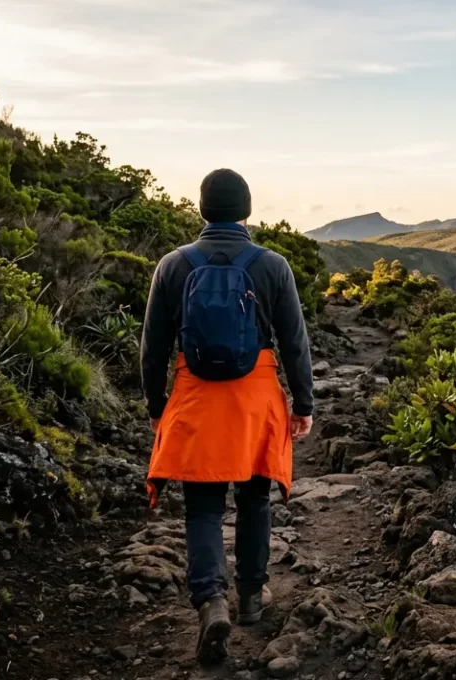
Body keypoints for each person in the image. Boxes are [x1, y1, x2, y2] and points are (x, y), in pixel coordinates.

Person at [140, 168, 314, 664]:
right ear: (246, 210)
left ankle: (211, 601)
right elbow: (294, 342)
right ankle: (252, 598)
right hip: (256, 397)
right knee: (255, 498)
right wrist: (303, 404)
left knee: (202, 506)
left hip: (196, 396)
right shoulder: (273, 265)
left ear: (201, 210)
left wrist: (158, 407)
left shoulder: (172, 266)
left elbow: (152, 350)